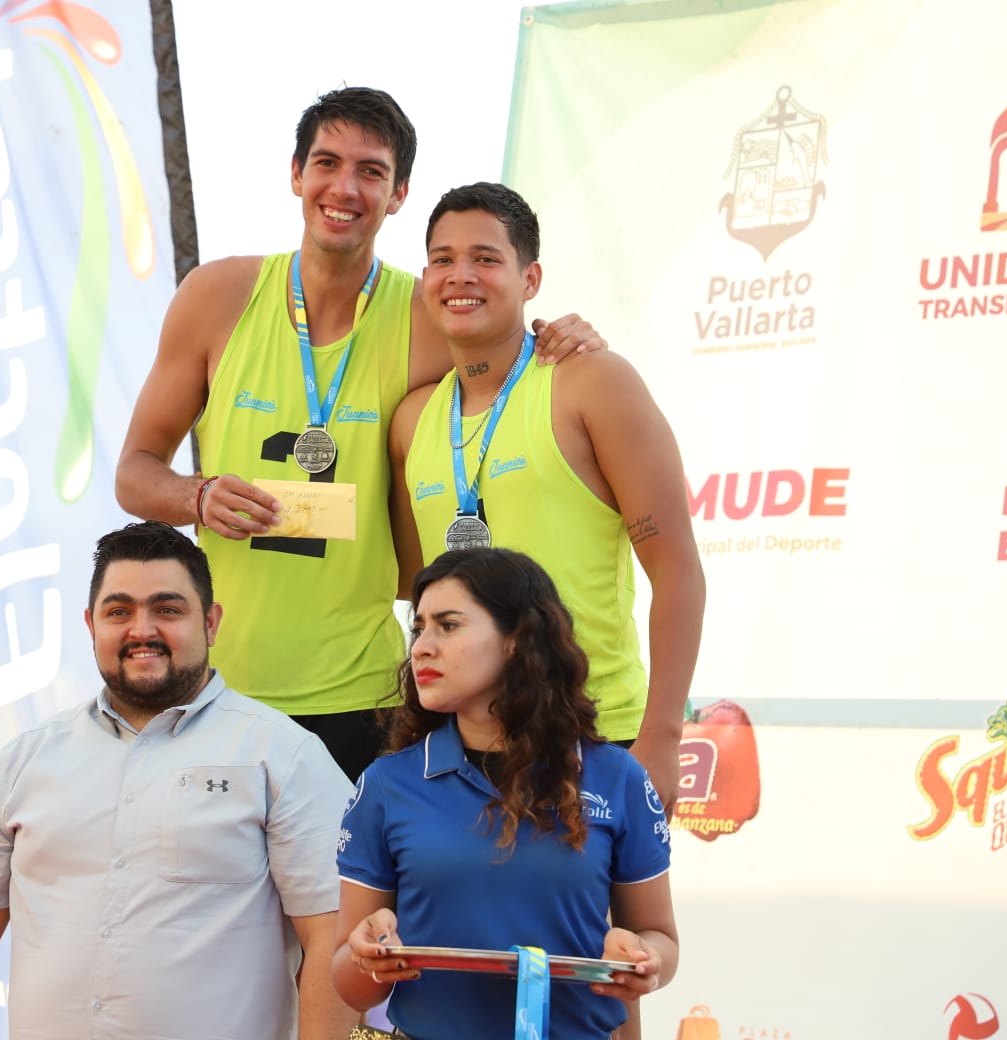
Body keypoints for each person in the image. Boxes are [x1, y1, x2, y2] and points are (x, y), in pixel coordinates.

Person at [116, 87, 608, 782]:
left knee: (355, 895)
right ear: (296, 174)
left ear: (399, 193)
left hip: (366, 695)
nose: (344, 187)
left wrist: (566, 334)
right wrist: (198, 497)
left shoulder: (426, 312)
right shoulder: (218, 297)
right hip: (223, 686)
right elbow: (134, 473)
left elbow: (510, 348)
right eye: (327, 162)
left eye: (371, 171)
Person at [0, 522, 358, 1040]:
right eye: (118, 611)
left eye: (168, 609)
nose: (141, 630)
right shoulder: (25, 762)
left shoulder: (285, 756)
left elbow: (334, 934)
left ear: (211, 623)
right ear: (91, 625)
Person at [390, 183, 705, 811]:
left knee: (617, 918)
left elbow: (677, 571)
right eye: (443, 259)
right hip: (464, 744)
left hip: (591, 734)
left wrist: (662, 737)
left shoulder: (591, 382)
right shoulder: (413, 420)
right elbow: (410, 583)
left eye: (485, 258)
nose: (461, 276)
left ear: (530, 278)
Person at [332, 548, 677, 1040]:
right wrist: (367, 958)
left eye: (448, 626)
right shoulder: (386, 785)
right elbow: (350, 984)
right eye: (419, 628)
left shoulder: (616, 776)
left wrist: (644, 959)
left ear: (518, 639)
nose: (422, 647)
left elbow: (661, 938)